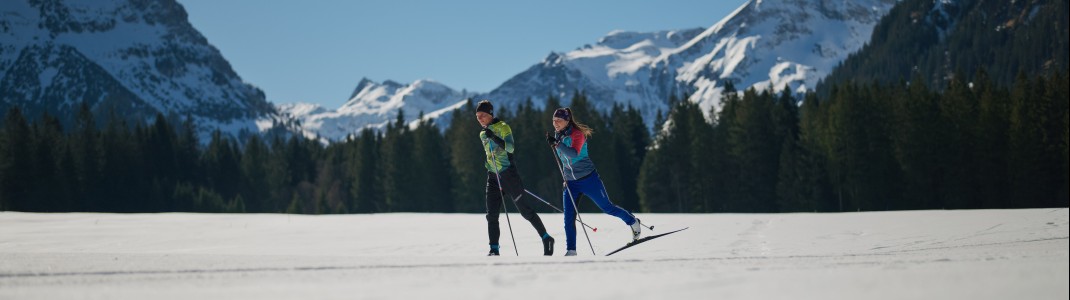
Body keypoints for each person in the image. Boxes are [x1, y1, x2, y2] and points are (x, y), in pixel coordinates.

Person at [546, 107, 641, 256]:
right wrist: (566, 176)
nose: (555, 123)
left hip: (589, 179)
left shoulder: (577, 134)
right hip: (571, 183)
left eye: (559, 120)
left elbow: (573, 154)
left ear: (567, 121)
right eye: (553, 120)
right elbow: (564, 162)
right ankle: (571, 250)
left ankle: (633, 221)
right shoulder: (559, 136)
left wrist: (557, 144)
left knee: (608, 208)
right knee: (568, 218)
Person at [476, 100, 554, 256]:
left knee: (525, 211)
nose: (480, 119)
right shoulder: (482, 133)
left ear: (491, 114)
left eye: (483, 115)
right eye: (477, 116)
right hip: (493, 177)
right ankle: (494, 249)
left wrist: (494, 138)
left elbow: (511, 148)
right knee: (491, 215)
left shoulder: (503, 127)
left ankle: (546, 238)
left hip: (509, 175)